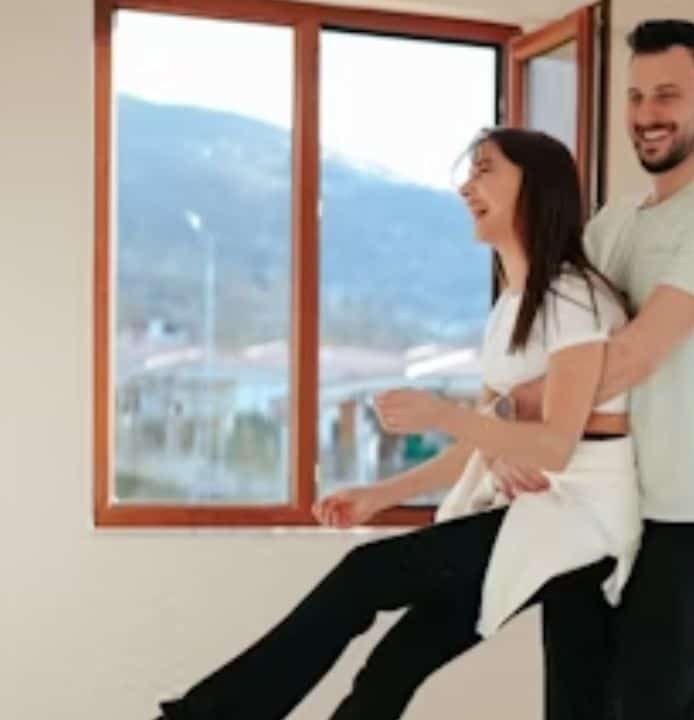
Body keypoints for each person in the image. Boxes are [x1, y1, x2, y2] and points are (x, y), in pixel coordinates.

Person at [154, 127, 640, 720]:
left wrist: (444, 414)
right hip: (530, 512)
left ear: (534, 188)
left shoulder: (575, 299)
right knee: (397, 662)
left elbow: (556, 446)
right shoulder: (511, 309)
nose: (467, 186)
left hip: (577, 521)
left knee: (365, 579)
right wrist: (379, 496)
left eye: (486, 170)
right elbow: (478, 447)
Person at [492, 19, 694, 720]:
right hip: (593, 502)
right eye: (636, 96)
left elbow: (629, 357)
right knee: (576, 708)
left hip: (687, 512)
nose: (647, 114)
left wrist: (512, 417)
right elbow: (545, 337)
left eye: (668, 95)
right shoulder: (609, 225)